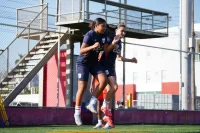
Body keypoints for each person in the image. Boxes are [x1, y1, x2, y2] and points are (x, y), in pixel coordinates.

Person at [92, 24, 138, 129]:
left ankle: (107, 120)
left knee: (111, 94)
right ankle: (102, 111)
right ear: (116, 30)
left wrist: (131, 60)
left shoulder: (120, 43)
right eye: (122, 31)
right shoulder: (110, 37)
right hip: (104, 66)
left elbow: (119, 58)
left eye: (125, 32)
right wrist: (113, 44)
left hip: (111, 69)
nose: (123, 33)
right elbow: (106, 50)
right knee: (114, 88)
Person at [74, 18, 108, 126]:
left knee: (104, 80)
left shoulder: (104, 36)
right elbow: (81, 50)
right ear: (96, 26)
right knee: (82, 87)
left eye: (105, 26)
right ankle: (77, 113)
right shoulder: (89, 35)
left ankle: (92, 103)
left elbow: (103, 50)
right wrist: (93, 46)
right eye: (102, 26)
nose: (104, 28)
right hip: (83, 63)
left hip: (94, 63)